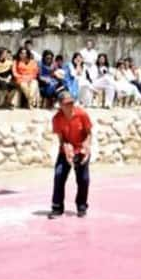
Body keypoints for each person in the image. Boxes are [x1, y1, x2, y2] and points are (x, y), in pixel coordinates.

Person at [49, 90, 92, 219]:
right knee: (59, 175)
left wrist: (86, 147)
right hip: (66, 151)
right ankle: (57, 207)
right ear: (60, 105)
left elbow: (89, 133)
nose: (70, 106)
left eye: (71, 103)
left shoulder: (82, 114)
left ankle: (81, 206)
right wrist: (66, 148)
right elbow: (61, 139)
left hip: (81, 149)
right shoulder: (57, 119)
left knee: (83, 179)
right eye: (66, 104)